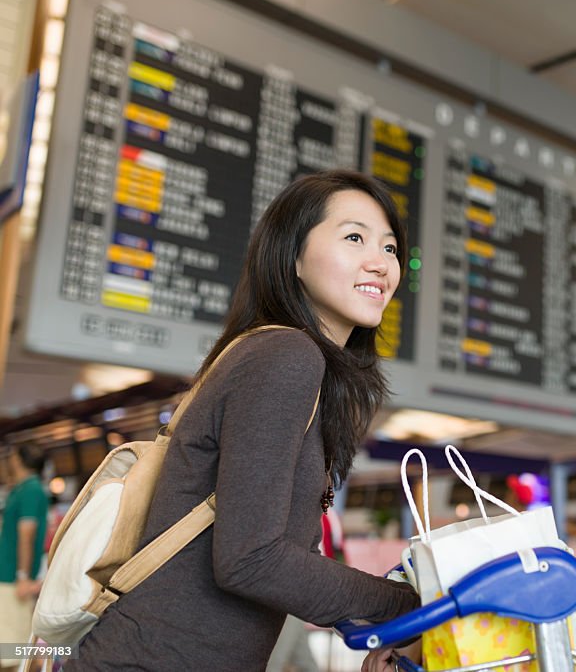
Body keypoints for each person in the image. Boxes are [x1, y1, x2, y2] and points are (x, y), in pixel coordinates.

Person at [67, 170, 420, 671]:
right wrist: (414, 605)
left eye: (390, 248)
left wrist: (380, 626)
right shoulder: (287, 354)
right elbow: (249, 559)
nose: (381, 263)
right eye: (354, 237)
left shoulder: (275, 356)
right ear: (293, 255)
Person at [0, 443, 48, 671]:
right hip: (8, 575)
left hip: (12, 578)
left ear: (18, 460)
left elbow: (26, 535)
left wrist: (22, 575)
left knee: (14, 654)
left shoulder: (31, 489)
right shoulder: (21, 489)